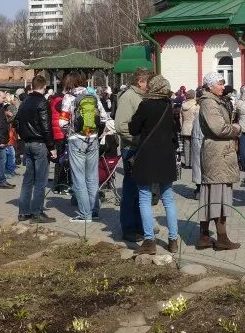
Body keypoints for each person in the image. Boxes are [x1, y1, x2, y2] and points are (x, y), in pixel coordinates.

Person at [128, 74, 180, 254]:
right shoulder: (168, 106)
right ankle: (173, 240)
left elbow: (133, 128)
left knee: (144, 197)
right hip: (166, 157)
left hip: (147, 156)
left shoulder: (145, 105)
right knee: (168, 199)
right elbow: (174, 130)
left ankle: (149, 241)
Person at [195, 72, 242, 251]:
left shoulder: (213, 101)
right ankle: (220, 238)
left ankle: (204, 237)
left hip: (218, 153)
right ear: (210, 86)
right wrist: (236, 129)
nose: (223, 86)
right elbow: (218, 128)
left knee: (212, 196)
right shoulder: (209, 102)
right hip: (217, 154)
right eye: (220, 83)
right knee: (217, 197)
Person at [60, 72, 109, 223]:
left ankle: (84, 214)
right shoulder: (93, 96)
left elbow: (62, 122)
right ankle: (94, 211)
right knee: (92, 177)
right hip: (93, 140)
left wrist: (69, 132)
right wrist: (96, 134)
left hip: (76, 140)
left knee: (79, 178)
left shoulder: (69, 97)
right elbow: (103, 118)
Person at [13, 75, 56, 223]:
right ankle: (37, 212)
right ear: (44, 87)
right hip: (39, 143)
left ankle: (23, 212)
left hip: (28, 143)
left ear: (32, 86)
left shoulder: (24, 102)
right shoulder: (42, 102)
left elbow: (16, 121)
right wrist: (52, 146)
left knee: (28, 179)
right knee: (40, 180)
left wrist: (24, 135)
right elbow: (46, 126)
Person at [115, 69, 149, 241]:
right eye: (147, 82)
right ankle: (129, 228)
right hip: (131, 148)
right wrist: (139, 139)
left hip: (139, 148)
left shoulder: (140, 96)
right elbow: (121, 125)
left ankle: (140, 225)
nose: (149, 85)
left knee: (139, 189)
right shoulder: (128, 97)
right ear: (140, 82)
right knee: (130, 189)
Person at [179, 90, 198, 169]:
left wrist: (182, 125)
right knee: (194, 146)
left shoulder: (183, 105)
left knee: (186, 146)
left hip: (185, 127)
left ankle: (187, 163)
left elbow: (180, 118)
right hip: (193, 127)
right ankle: (192, 163)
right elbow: (197, 119)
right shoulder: (196, 106)